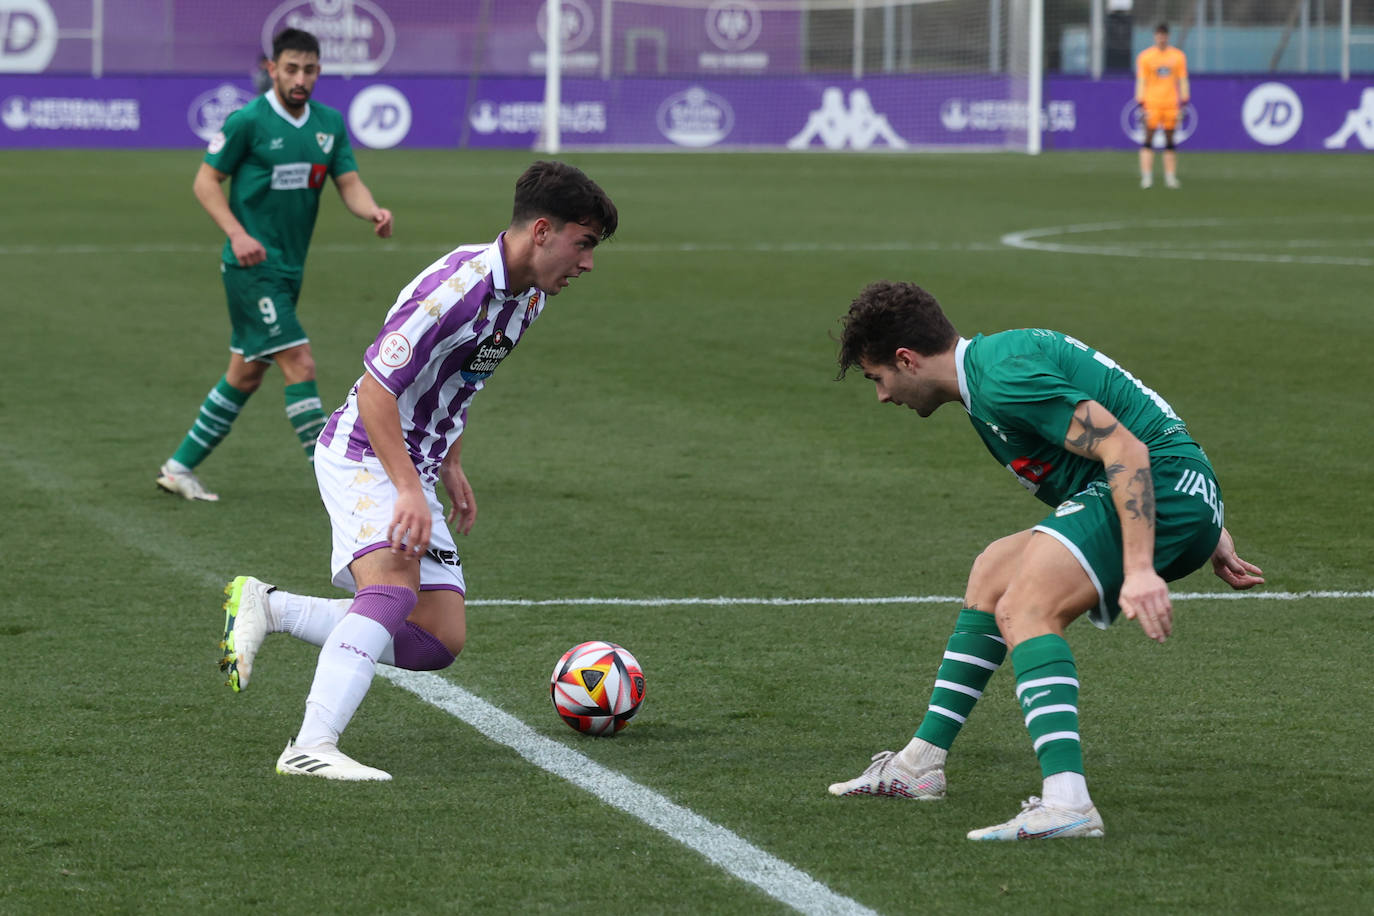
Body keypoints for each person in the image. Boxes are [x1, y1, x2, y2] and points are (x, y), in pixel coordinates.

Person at [217, 161, 618, 781]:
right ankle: (310, 746)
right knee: (393, 588)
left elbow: (465, 377)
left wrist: (449, 458)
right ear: (543, 231)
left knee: (437, 639)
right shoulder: (453, 290)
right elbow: (378, 390)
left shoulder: (530, 296)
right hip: (364, 452)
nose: (588, 262)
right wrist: (408, 488)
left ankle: (270, 608)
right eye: (584, 243)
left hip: (416, 463)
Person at [827, 281, 1263, 839]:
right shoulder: (990, 369)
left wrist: (1141, 567)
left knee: (1025, 607)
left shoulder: (1004, 381)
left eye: (878, 378)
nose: (883, 396)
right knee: (994, 571)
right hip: (1175, 491)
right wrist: (1209, 522)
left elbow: (1126, 449)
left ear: (906, 360)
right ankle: (918, 766)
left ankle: (1068, 802)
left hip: (1164, 487)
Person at [156, 27, 393, 501]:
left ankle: (178, 467)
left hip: (289, 271)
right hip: (251, 268)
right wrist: (237, 233)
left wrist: (371, 209)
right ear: (272, 70)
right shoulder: (248, 121)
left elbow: (348, 181)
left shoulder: (328, 123)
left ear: (318, 71)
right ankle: (337, 482)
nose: (300, 78)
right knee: (300, 363)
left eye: (308, 70)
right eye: (290, 69)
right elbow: (206, 182)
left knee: (245, 373)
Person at [1136, 23, 1190, 189]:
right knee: (1148, 139)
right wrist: (1140, 100)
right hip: (1152, 103)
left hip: (1170, 103)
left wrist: (1184, 99)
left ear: (1168, 36)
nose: (1161, 38)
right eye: (1158, 35)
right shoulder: (1145, 57)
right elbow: (1141, 80)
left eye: (1164, 35)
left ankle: (1170, 177)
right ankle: (1147, 177)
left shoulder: (1177, 56)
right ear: (1155, 37)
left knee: (1170, 140)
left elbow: (1182, 79)